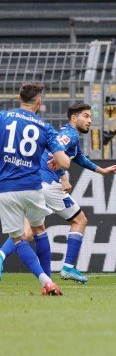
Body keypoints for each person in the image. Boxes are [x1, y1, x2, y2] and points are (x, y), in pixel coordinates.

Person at [0, 102, 116, 283]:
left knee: (29, 231)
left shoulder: (70, 136)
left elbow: (78, 157)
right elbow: (53, 151)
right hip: (48, 184)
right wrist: (60, 172)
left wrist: (100, 170)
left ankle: (1, 255)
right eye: (85, 116)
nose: (89, 121)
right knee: (80, 220)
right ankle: (68, 267)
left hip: (40, 183)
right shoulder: (68, 134)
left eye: (90, 117)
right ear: (73, 118)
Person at [0, 82, 71, 295]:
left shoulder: (3, 117)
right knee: (39, 229)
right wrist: (56, 159)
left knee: (19, 238)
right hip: (32, 186)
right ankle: (49, 280)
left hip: (6, 188)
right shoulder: (44, 127)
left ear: (18, 99)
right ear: (38, 101)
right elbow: (65, 162)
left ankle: (45, 282)